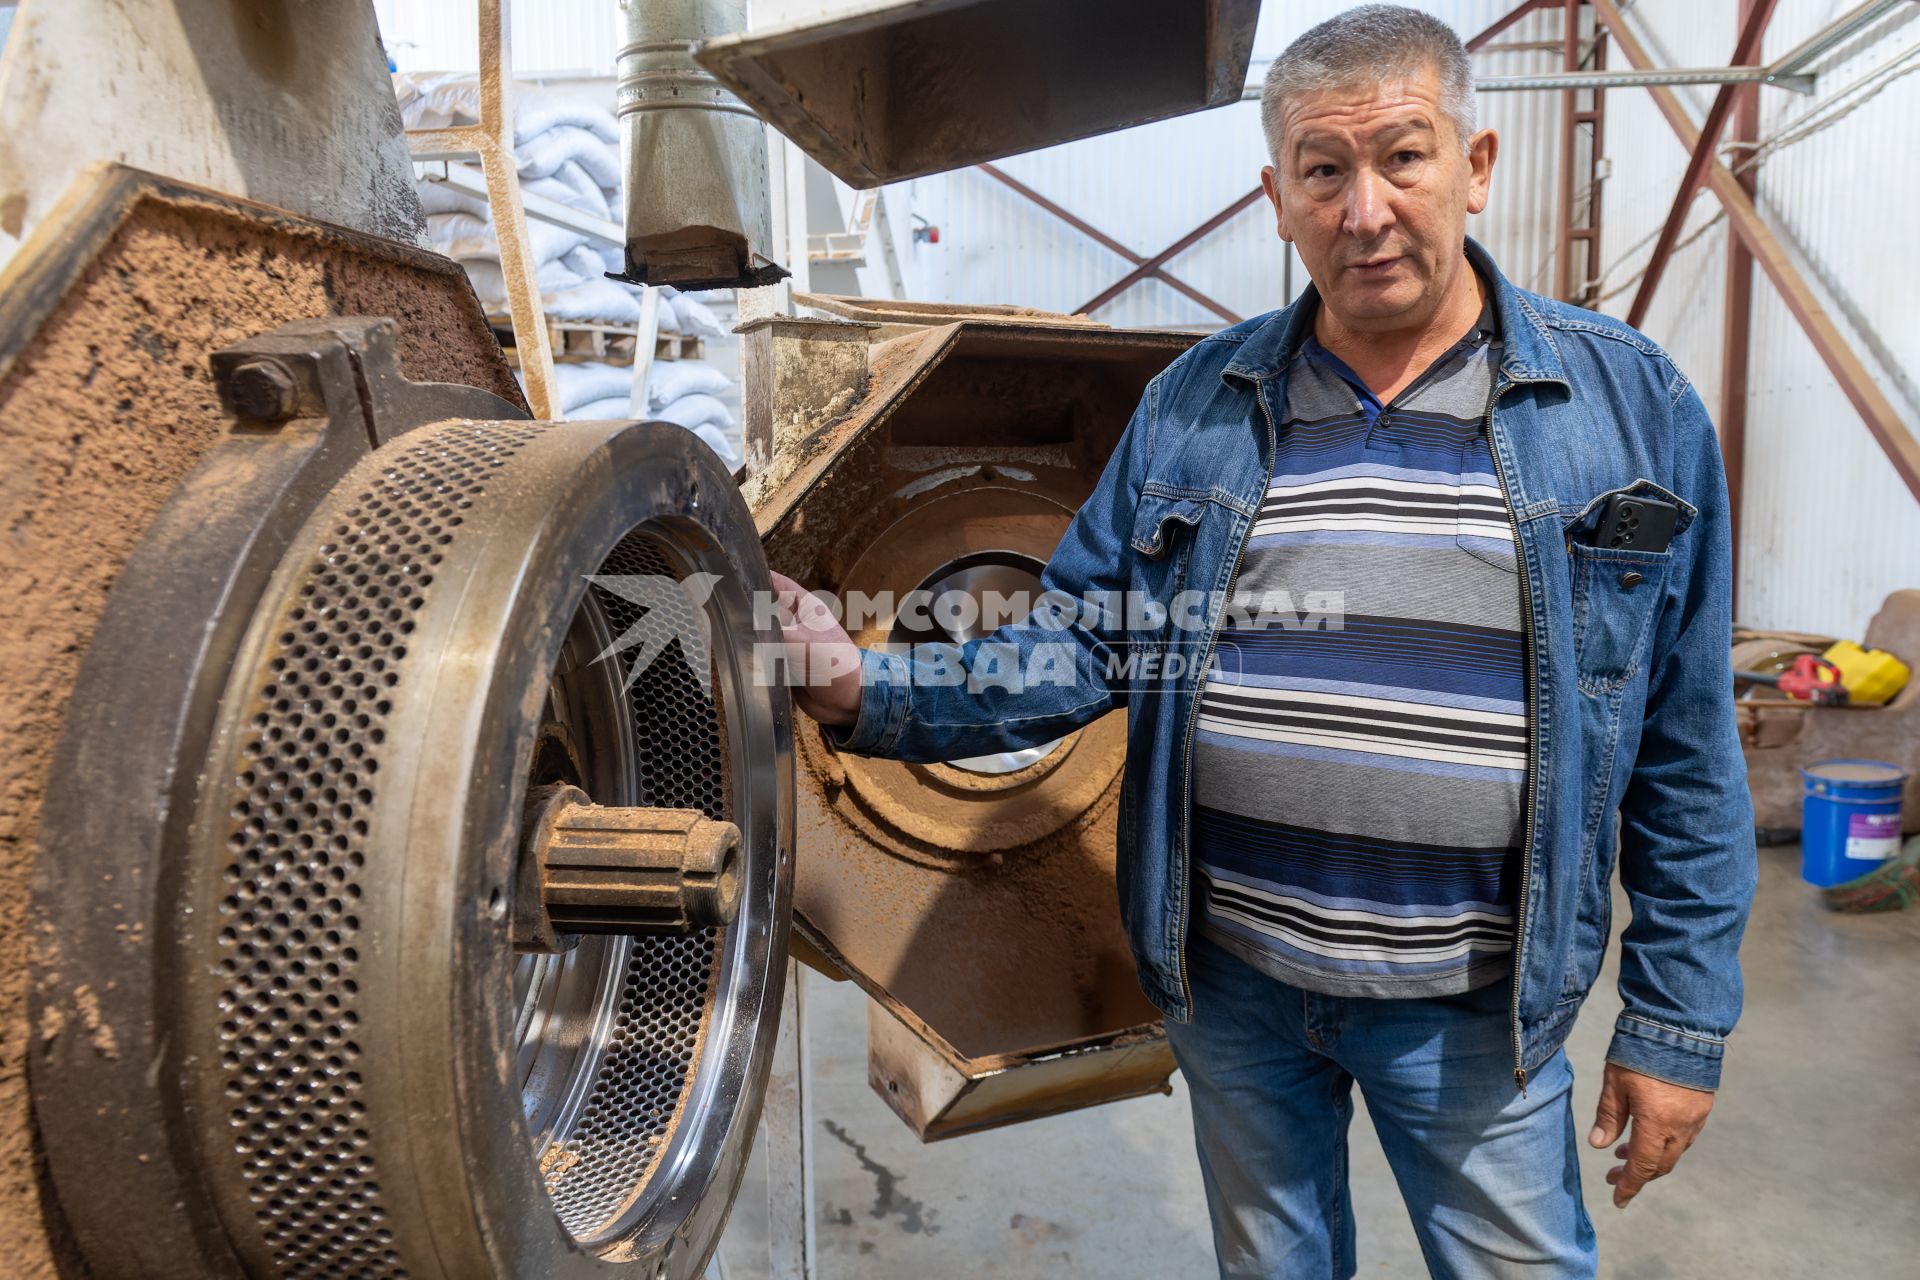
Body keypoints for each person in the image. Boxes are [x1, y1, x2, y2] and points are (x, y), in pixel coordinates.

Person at [769, 6, 1756, 1275]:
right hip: (1234, 986)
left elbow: (1685, 749)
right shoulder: (1196, 405)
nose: (1365, 211)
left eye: (1403, 157)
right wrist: (866, 687)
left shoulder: (1628, 406)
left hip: (1473, 1006)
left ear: (1477, 163)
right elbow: (1081, 640)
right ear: (1276, 193)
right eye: (1323, 170)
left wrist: (1676, 1025)